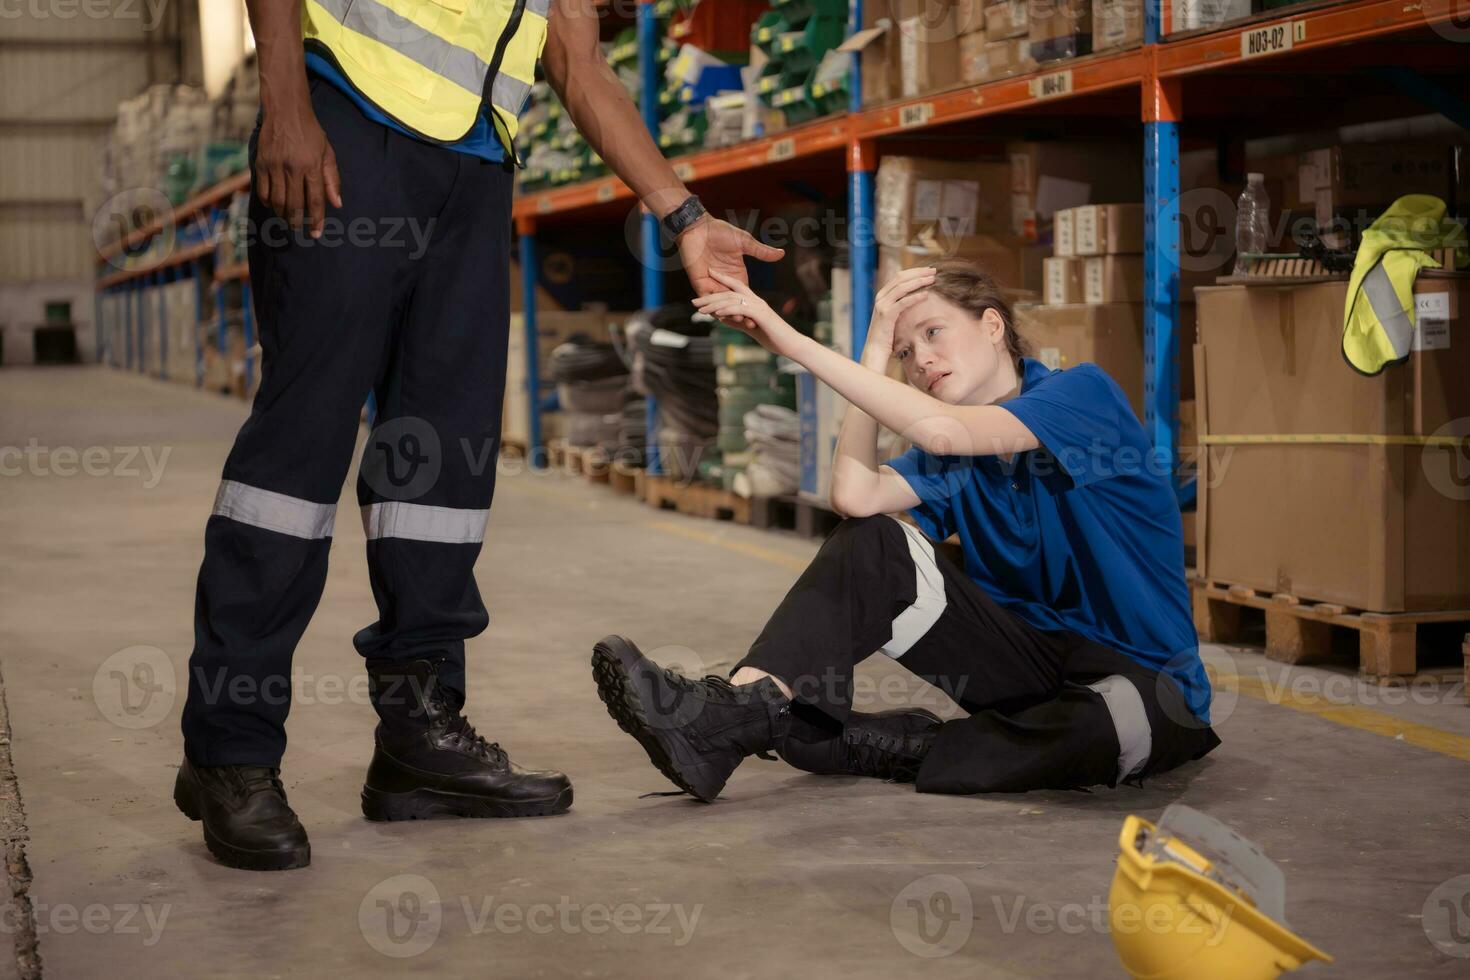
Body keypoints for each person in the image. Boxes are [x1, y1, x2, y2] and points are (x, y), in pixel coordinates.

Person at [174, 0, 784, 871]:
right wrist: (285, 107)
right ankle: (230, 748)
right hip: (345, 129)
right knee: (294, 462)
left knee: (440, 468)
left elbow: (577, 61)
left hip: (476, 169)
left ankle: (419, 738)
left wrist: (683, 217)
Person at [592, 262, 1221, 801]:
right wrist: (870, 350)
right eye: (904, 352)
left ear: (993, 326)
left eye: (933, 332)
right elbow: (854, 495)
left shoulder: (1082, 395)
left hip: (1146, 680)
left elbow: (945, 430)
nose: (920, 359)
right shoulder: (952, 460)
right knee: (871, 541)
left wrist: (792, 343)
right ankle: (729, 715)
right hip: (1028, 668)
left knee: (1098, 730)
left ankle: (862, 743)